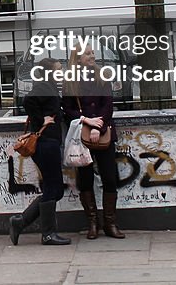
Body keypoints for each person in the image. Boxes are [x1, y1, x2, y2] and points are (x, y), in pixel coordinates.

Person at [63, 43, 124, 239]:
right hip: (82, 136)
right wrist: (85, 121)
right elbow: (68, 109)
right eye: (87, 54)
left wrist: (99, 127)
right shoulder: (70, 81)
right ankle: (93, 223)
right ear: (78, 58)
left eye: (92, 53)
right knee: (85, 179)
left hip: (103, 132)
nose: (92, 56)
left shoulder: (102, 75)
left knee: (109, 177)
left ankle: (110, 223)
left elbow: (108, 105)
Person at [9, 57, 71, 246]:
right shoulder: (44, 86)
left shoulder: (49, 86)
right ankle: (47, 234)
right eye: (58, 70)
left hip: (49, 143)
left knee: (55, 189)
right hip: (46, 144)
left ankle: (21, 221)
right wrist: (41, 120)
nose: (61, 73)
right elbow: (28, 101)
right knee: (54, 188)